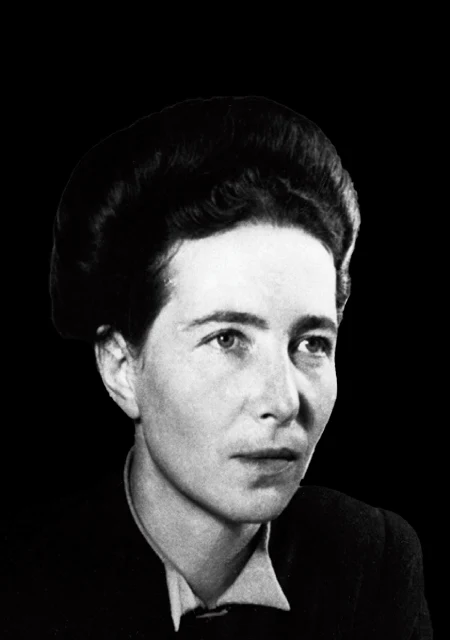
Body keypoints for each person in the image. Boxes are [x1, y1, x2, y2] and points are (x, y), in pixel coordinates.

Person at [4, 96, 432, 638]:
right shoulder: (19, 584)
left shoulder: (372, 561)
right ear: (121, 367)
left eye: (311, 343)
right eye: (227, 339)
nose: (283, 401)